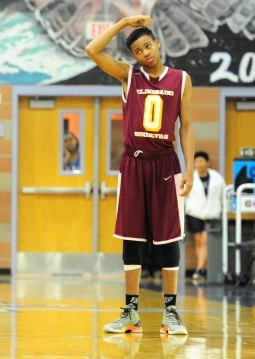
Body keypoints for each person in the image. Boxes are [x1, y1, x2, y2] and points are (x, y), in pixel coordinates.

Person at [85, 15, 194, 335]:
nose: (145, 52)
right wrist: (122, 24)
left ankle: (170, 312)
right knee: (131, 236)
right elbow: (92, 50)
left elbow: (186, 126)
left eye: (148, 45)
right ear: (133, 56)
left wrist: (188, 167)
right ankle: (130, 311)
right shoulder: (129, 76)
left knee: (168, 237)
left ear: (157, 44)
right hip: (133, 164)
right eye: (138, 50)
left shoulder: (182, 79)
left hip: (165, 164)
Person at [185, 150, 226, 280]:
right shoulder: (190, 177)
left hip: (212, 213)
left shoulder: (217, 177)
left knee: (205, 240)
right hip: (194, 213)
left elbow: (223, 196)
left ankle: (200, 268)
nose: (199, 164)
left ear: (207, 162)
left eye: (201, 161)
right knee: (199, 241)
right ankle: (201, 268)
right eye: (196, 161)